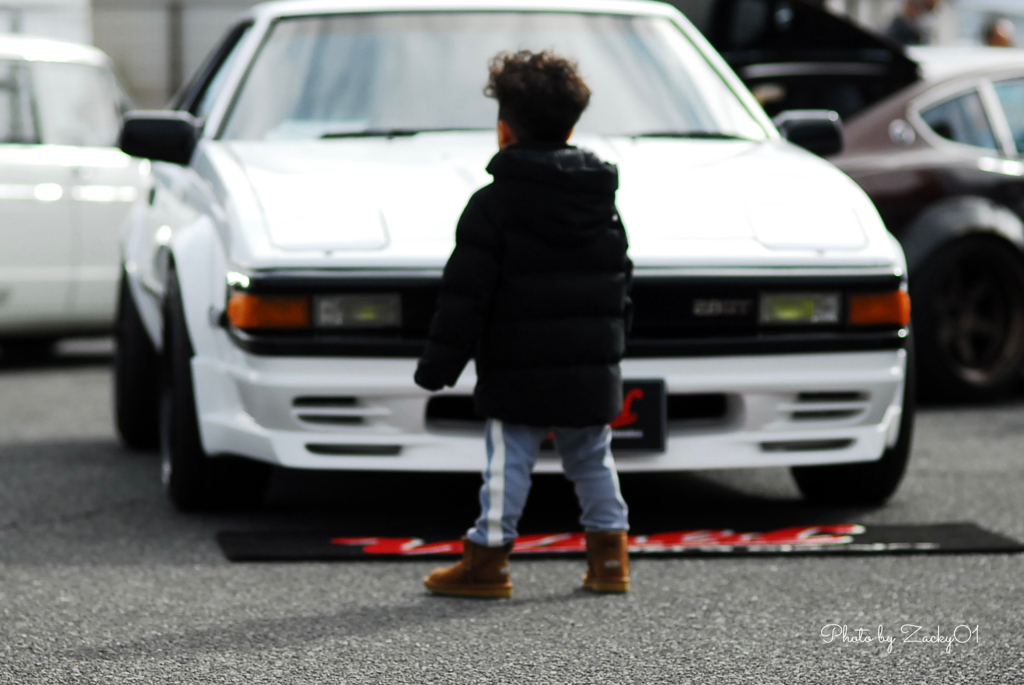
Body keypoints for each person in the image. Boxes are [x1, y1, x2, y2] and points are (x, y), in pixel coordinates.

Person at [414, 50, 633, 598]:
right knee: (593, 459)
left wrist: (439, 366)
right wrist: (612, 347)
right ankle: (610, 560)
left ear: (504, 130)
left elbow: (465, 295)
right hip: (589, 365)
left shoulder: (493, 204)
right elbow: (620, 284)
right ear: (573, 125)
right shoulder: (600, 203)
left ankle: (487, 560)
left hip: (517, 368)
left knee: (507, 465)